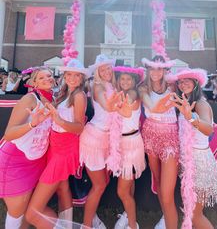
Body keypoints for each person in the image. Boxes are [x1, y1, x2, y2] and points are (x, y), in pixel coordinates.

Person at [26, 59, 89, 229]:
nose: (72, 78)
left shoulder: (79, 95)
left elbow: (79, 128)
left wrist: (59, 120)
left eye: (76, 75)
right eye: (69, 74)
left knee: (32, 214)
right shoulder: (64, 93)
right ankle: (67, 225)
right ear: (64, 76)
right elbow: (49, 112)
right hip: (55, 146)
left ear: (82, 78)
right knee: (62, 187)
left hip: (65, 150)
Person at [0, 67, 54, 229]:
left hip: (36, 161)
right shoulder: (30, 99)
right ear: (34, 82)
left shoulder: (53, 100)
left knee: (25, 209)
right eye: (41, 77)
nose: (47, 79)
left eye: (49, 76)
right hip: (16, 161)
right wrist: (32, 124)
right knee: (16, 211)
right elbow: (9, 134)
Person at [170, 68, 217, 229]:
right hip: (189, 163)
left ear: (196, 83)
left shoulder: (200, 104)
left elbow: (208, 129)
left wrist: (191, 117)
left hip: (200, 165)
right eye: (180, 81)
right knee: (190, 213)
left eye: (187, 80)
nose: (183, 84)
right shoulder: (186, 103)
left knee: (194, 215)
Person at [79, 54, 125, 229]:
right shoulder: (97, 86)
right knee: (99, 185)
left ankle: (92, 218)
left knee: (102, 183)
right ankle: (87, 225)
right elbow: (107, 106)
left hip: (106, 139)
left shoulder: (113, 85)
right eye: (102, 69)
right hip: (94, 139)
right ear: (97, 72)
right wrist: (114, 105)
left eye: (108, 68)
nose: (106, 71)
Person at [139, 55, 178, 229]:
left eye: (160, 68)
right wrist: (161, 106)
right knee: (158, 180)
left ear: (165, 70)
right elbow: (151, 107)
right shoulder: (143, 88)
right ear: (148, 70)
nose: (156, 72)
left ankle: (170, 221)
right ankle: (165, 216)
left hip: (170, 137)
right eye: (152, 68)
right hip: (150, 134)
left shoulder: (173, 86)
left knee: (167, 191)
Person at [112, 66, 146, 229]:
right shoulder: (118, 94)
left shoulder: (132, 93)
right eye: (122, 79)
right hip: (123, 143)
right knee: (129, 182)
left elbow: (129, 103)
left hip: (130, 144)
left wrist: (124, 106)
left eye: (129, 79)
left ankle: (133, 225)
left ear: (134, 82)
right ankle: (128, 214)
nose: (125, 82)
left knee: (122, 191)